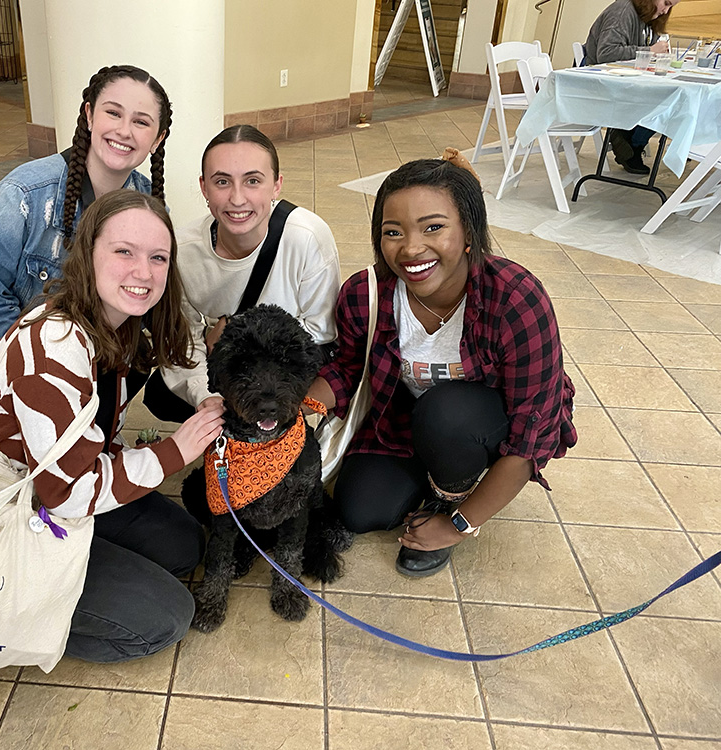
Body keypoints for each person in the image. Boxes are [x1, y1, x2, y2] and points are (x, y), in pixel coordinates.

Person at [0, 190, 225, 661]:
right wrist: (174, 452)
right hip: (10, 511)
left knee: (183, 545)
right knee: (167, 617)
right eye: (124, 252)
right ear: (87, 254)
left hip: (60, 482)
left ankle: (85, 564)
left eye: (158, 257)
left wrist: (206, 398)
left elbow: (182, 356)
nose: (143, 272)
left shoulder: (119, 321)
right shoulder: (52, 347)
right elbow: (66, 493)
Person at [306, 159, 577, 578]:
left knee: (445, 415)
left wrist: (457, 526)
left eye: (433, 227)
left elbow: (530, 437)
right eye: (393, 231)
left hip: (477, 425)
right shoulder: (365, 294)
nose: (411, 248)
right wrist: (293, 406)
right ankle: (430, 475)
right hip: (400, 424)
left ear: (469, 232)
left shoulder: (516, 299)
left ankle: (454, 491)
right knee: (360, 512)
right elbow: (346, 369)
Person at [0, 64, 172, 390]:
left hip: (73, 332)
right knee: (50, 413)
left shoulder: (148, 202)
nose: (124, 130)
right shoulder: (23, 194)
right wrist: (51, 370)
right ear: (89, 115)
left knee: (135, 362)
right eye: (113, 113)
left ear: (158, 138)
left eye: (141, 122)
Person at [145, 124, 341, 421]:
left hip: (283, 362)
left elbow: (322, 331)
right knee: (162, 396)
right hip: (232, 365)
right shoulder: (182, 251)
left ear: (276, 185)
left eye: (252, 181)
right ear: (204, 188)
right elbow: (183, 341)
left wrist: (234, 330)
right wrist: (207, 398)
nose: (237, 199)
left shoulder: (307, 237)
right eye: (222, 182)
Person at [584, 0, 682, 174]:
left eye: (670, 7)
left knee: (672, 95)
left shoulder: (645, 16)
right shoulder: (622, 11)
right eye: (666, 3)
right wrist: (650, 51)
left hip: (623, 79)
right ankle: (630, 141)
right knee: (668, 97)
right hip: (599, 80)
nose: (666, 11)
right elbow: (606, 54)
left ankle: (627, 137)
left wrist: (653, 51)